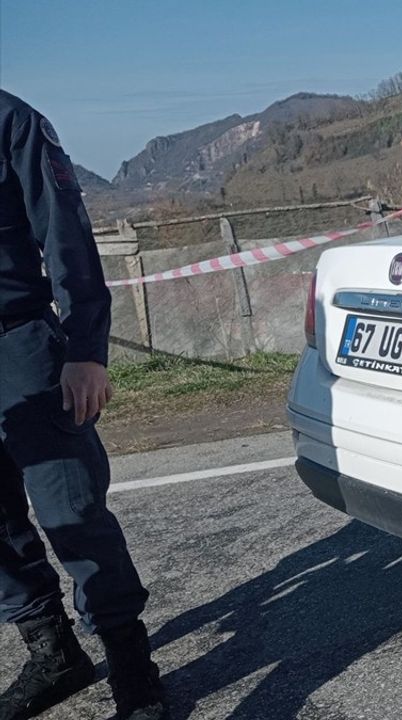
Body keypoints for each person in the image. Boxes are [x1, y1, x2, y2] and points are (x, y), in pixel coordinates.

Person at [0, 91, 167, 720]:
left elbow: (63, 230)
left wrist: (86, 348)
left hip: (19, 348)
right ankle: (54, 654)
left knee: (72, 509)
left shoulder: (10, 122)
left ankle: (133, 671)